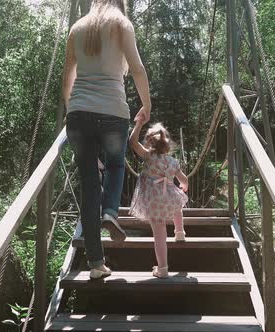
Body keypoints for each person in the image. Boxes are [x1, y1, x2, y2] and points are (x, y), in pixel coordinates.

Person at [62, 0, 151, 279]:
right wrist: (146, 104)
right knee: (115, 166)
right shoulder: (121, 24)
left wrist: (70, 109)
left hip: (78, 115)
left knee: (89, 184)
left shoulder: (77, 28)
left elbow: (68, 76)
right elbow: (137, 68)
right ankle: (111, 211)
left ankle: (96, 264)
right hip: (113, 112)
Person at [128, 120, 189, 279]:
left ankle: (162, 268)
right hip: (168, 194)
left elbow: (132, 142)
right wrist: (184, 186)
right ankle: (180, 232)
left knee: (159, 235)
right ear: (167, 145)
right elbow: (184, 179)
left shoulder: (148, 156)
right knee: (177, 202)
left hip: (153, 200)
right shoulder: (173, 162)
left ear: (149, 142)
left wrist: (139, 124)